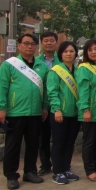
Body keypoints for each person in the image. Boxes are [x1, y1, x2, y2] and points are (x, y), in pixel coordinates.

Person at [0, 34, 49, 190]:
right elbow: (1, 87)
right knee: (13, 145)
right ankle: (11, 175)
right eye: (26, 43)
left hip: (35, 113)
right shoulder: (10, 65)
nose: (29, 46)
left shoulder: (41, 66)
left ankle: (30, 171)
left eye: (32, 44)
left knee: (33, 144)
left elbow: (45, 89)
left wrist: (44, 106)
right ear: (19, 46)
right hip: (15, 112)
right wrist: (1, 108)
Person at [47, 41, 80, 185]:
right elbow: (52, 92)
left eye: (71, 51)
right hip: (60, 114)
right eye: (66, 51)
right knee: (59, 143)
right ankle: (57, 172)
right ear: (61, 54)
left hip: (74, 114)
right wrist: (57, 109)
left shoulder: (78, 70)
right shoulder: (55, 71)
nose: (69, 54)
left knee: (69, 143)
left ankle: (66, 168)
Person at [76, 39, 96, 182]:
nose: (93, 52)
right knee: (89, 142)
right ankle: (89, 170)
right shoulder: (84, 68)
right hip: (90, 112)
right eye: (90, 50)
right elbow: (82, 91)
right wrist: (85, 109)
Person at [37, 31, 60, 176]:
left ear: (56, 43)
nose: (49, 43)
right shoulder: (36, 62)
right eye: (46, 41)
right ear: (41, 43)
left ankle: (62, 164)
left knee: (60, 138)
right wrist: (44, 106)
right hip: (42, 107)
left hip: (59, 107)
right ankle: (45, 165)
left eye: (52, 40)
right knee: (43, 137)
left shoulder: (63, 61)